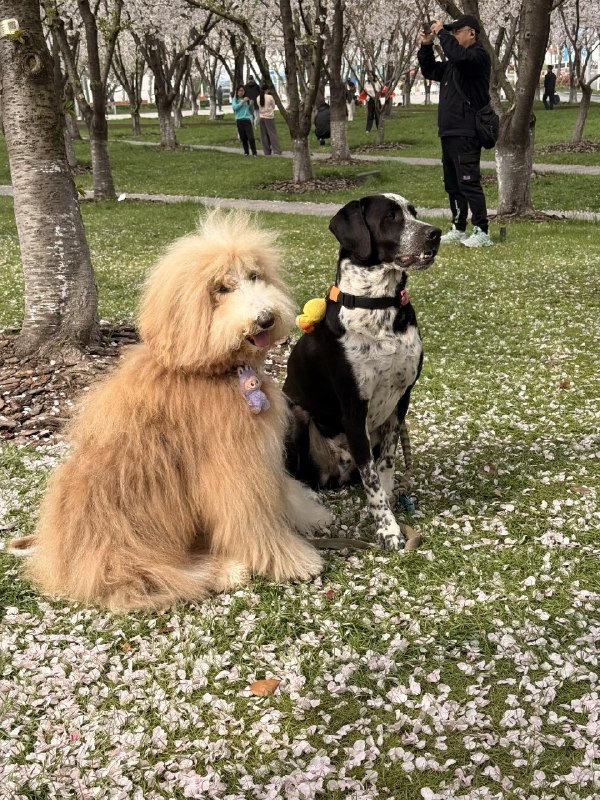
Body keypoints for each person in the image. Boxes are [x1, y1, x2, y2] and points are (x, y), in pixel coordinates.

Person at [417, 14, 493, 248]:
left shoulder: (478, 58)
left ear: (471, 33)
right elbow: (429, 70)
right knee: (453, 184)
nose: (452, 36)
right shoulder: (453, 64)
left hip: (467, 131)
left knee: (469, 181)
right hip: (448, 131)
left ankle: (482, 230)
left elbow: (460, 57)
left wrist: (441, 33)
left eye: (456, 32)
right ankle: (459, 227)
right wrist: (426, 46)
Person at [232, 86, 257, 156]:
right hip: (239, 120)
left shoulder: (247, 99)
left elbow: (251, 112)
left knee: (251, 137)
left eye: (242, 91)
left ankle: (254, 152)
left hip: (247, 120)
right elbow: (235, 108)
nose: (241, 92)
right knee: (243, 138)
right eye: (240, 90)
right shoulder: (235, 100)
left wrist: (252, 105)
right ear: (237, 92)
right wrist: (242, 102)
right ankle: (246, 152)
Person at [258, 84, 282, 155]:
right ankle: (276, 150)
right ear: (267, 90)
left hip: (261, 117)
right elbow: (274, 106)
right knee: (272, 134)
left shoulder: (258, 97)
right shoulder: (270, 97)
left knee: (264, 135)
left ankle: (267, 151)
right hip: (269, 117)